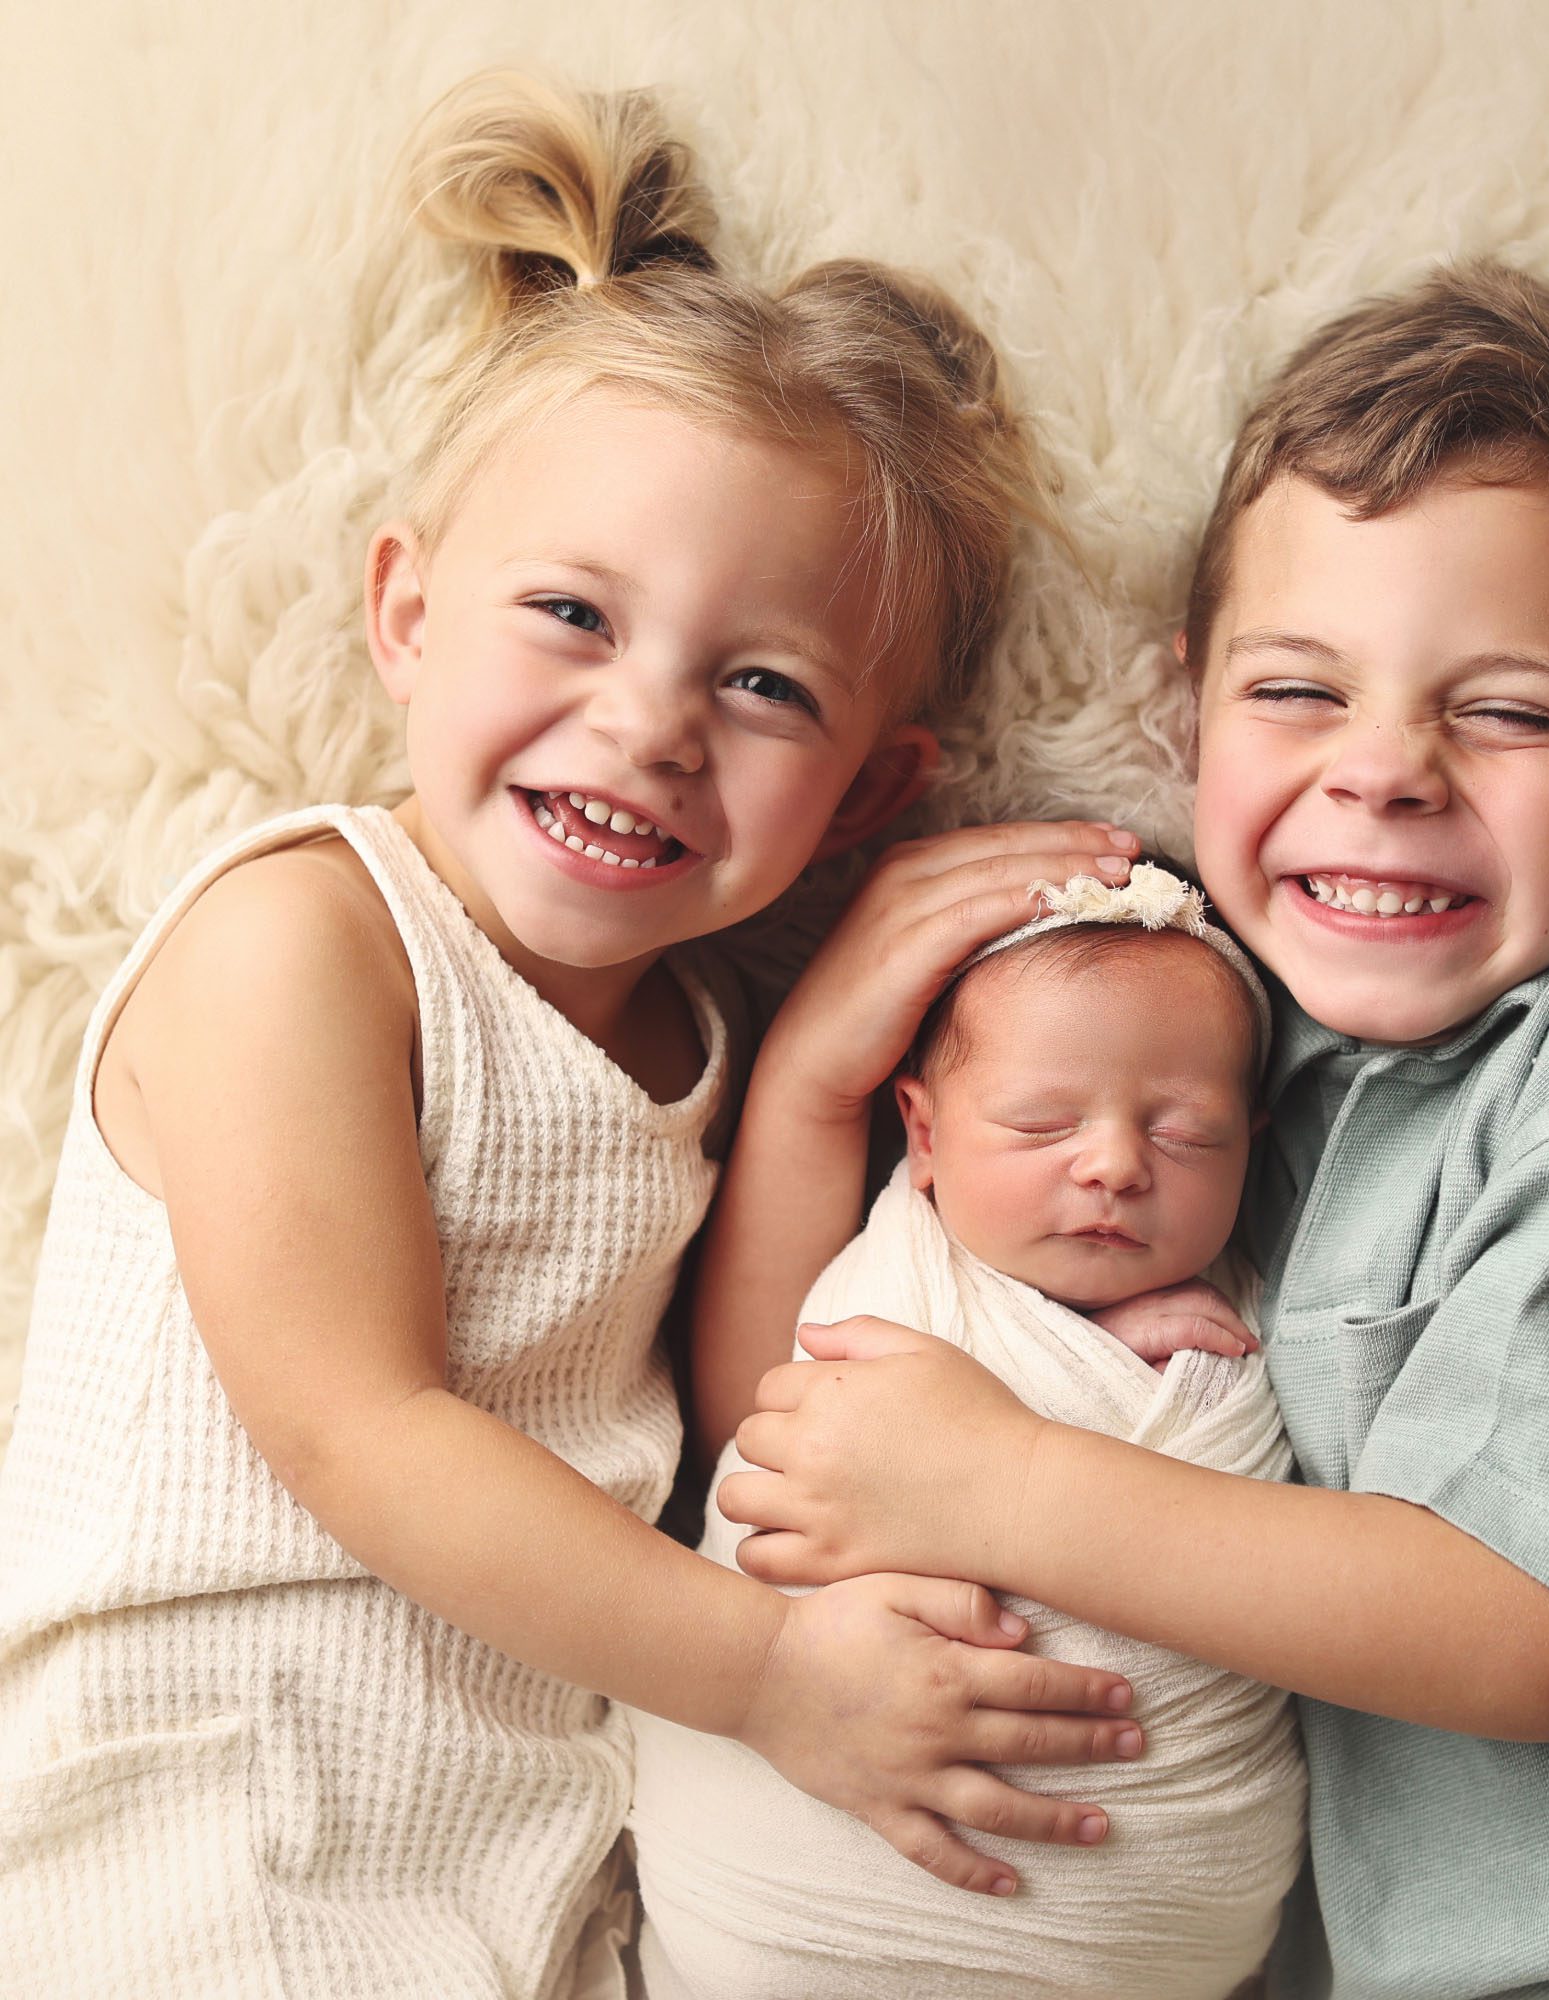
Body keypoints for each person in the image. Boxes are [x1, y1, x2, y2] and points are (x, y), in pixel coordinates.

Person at [712, 264, 1549, 1995]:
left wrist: (995, 1481)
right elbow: (790, 1408)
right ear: (1190, 721)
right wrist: (810, 1074)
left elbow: (1522, 1634)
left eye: (1511, 710)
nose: (1384, 771)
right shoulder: (1202, 1029)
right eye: (1301, 693)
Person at [0, 70, 1143, 1998]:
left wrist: (816, 1067)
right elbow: (361, 1430)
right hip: (213, 1829)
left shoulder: (696, 1031)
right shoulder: (306, 937)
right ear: (406, 615)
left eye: (764, 684)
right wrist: (775, 1672)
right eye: (573, 615)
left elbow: (736, 1424)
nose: (650, 724)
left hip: (532, 1848)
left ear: (869, 798)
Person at [629, 864, 1305, 1999]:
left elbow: (1265, 1562)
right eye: (1042, 1123)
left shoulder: (1257, 1305)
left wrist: (1093, 1348)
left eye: (1189, 1135)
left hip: (1133, 1924)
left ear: (1256, 1143)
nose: (1114, 1164)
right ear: (923, 1135)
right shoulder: (893, 1281)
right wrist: (1058, 1350)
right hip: (797, 1901)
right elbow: (777, 1431)